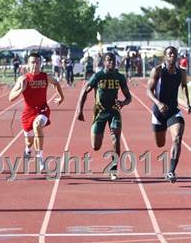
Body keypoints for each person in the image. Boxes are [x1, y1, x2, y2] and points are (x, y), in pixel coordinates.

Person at [77, 52, 132, 180]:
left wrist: (123, 103)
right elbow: (85, 92)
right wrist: (80, 110)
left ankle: (113, 168)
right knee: (96, 146)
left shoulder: (120, 77)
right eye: (109, 60)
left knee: (116, 138)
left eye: (113, 60)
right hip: (100, 112)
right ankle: (94, 131)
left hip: (114, 111)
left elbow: (129, 97)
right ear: (104, 62)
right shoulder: (98, 76)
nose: (111, 62)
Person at [9, 52, 64, 171]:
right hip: (28, 113)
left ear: (41, 63)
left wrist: (61, 97)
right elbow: (10, 97)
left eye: (37, 62)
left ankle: (40, 157)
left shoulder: (45, 76)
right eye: (33, 62)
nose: (35, 65)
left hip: (42, 110)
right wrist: (21, 90)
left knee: (37, 125)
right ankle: (28, 150)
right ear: (28, 64)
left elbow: (56, 83)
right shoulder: (23, 79)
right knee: (29, 142)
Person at [147, 46, 191, 183]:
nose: (172, 56)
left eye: (174, 54)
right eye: (170, 54)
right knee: (160, 144)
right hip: (158, 112)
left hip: (173, 111)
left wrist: (188, 103)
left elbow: (184, 86)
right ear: (165, 56)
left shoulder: (181, 72)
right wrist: (158, 104)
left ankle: (171, 171)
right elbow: (148, 90)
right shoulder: (158, 71)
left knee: (177, 138)